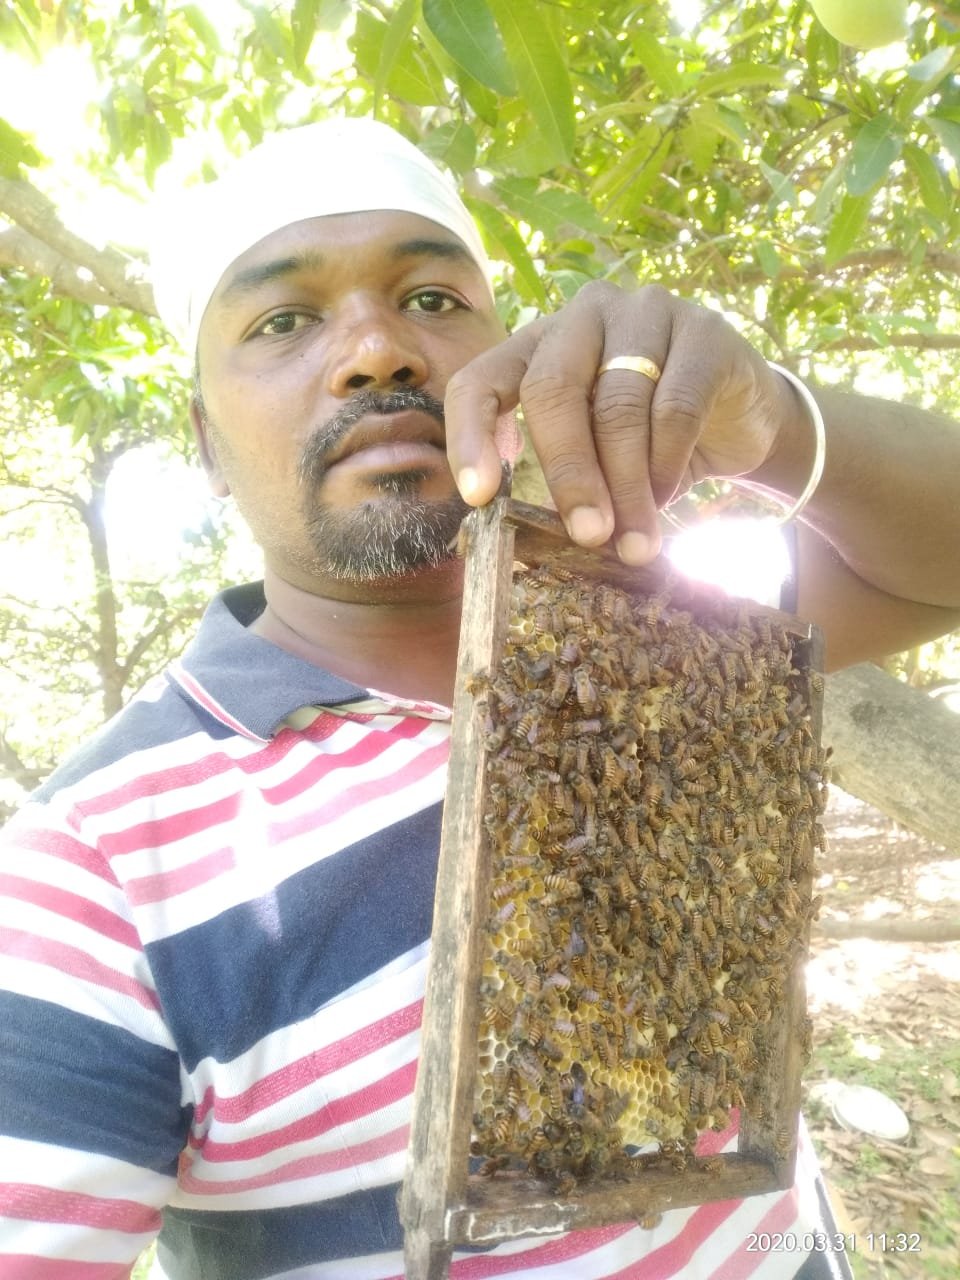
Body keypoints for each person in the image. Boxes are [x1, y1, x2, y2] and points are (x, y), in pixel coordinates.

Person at [1, 117, 958, 1280]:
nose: (378, 352)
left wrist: (772, 423)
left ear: (515, 373)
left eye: (435, 300)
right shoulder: (82, 870)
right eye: (284, 321)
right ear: (206, 441)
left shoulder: (666, 630)